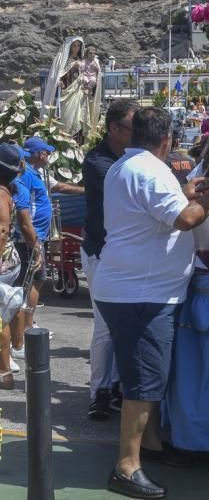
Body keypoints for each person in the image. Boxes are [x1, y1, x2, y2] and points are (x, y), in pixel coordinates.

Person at [93, 107, 209, 499]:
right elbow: (187, 220)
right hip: (141, 292)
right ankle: (126, 466)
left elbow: (153, 210)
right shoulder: (151, 171)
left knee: (148, 376)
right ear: (166, 141)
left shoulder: (125, 166)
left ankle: (149, 447)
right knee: (142, 381)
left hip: (133, 288)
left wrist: (184, 192)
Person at [81, 99, 139, 421]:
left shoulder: (131, 157)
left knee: (124, 325)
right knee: (105, 327)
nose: (138, 134)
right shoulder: (97, 162)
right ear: (114, 129)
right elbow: (129, 191)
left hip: (123, 254)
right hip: (102, 253)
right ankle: (99, 392)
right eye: (133, 128)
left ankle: (116, 385)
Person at [10, 137, 84, 359]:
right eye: (46, 152)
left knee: (35, 281)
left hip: (37, 237)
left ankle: (28, 326)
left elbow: (59, 187)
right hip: (29, 239)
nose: (49, 156)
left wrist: (86, 190)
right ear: (37, 154)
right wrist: (33, 240)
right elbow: (24, 214)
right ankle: (22, 334)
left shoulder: (40, 174)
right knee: (27, 284)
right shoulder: (25, 176)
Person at [0, 145, 37, 389]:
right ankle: (11, 358)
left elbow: (1, 231)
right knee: (6, 311)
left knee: (0, 318)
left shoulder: (2, 195)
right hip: (10, 260)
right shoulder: (9, 190)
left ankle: (4, 373)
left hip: (2, 261)